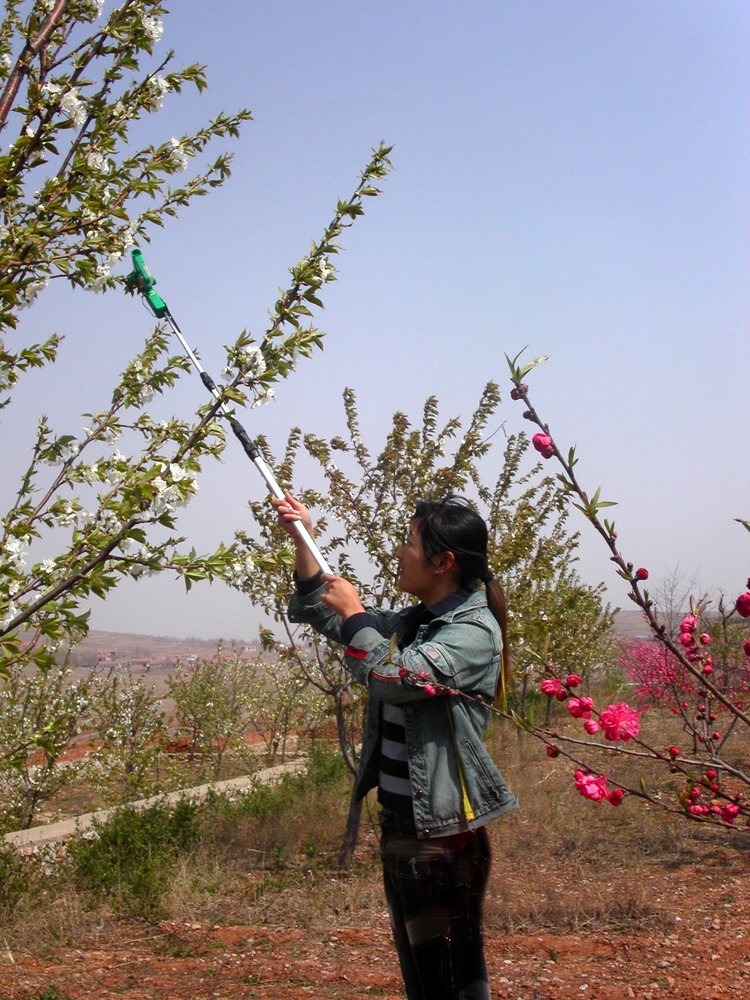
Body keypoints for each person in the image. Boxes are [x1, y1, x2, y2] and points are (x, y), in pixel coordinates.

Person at [273, 491, 517, 1000]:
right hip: (407, 827)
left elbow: (389, 677)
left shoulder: (471, 632)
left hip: (443, 837)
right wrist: (302, 538)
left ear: (443, 562)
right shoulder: (416, 623)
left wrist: (358, 612)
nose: (400, 554)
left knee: (445, 978)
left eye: (409, 544)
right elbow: (321, 613)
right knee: (429, 978)